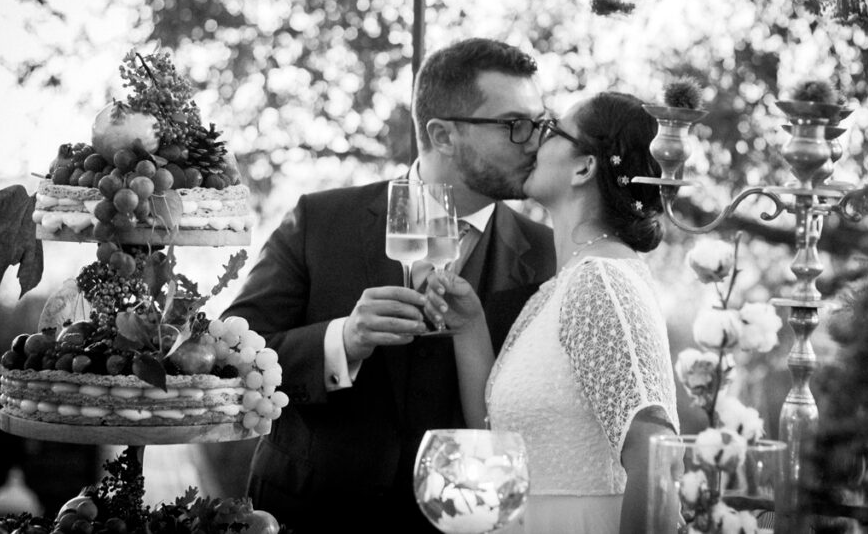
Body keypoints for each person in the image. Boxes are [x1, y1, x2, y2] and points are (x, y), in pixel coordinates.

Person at [220, 38, 556, 532]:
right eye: (514, 125)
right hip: (307, 514)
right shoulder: (321, 220)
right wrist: (343, 341)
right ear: (442, 135)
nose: (535, 142)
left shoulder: (548, 254)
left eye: (539, 123)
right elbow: (232, 352)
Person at [425, 91, 679, 534]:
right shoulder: (558, 287)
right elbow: (498, 431)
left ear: (584, 167)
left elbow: (654, 448)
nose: (533, 143)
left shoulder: (599, 280)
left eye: (551, 130)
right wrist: (469, 326)